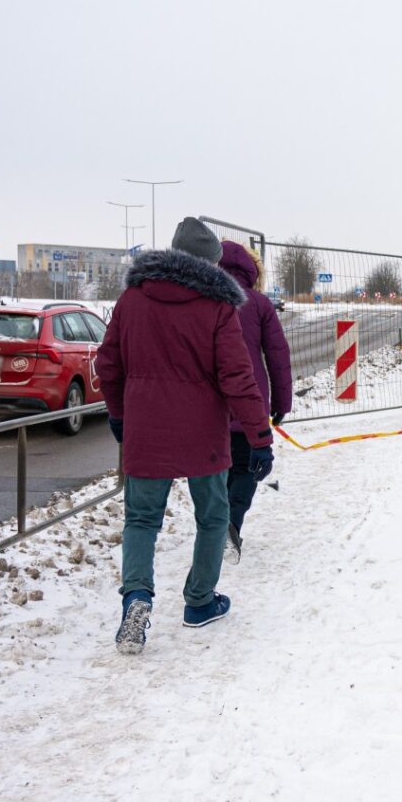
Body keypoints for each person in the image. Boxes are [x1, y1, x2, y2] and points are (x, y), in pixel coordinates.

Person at [96, 217, 275, 655]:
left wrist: (119, 415)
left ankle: (136, 597)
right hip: (203, 434)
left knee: (141, 519)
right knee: (213, 516)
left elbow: (108, 364)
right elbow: (238, 377)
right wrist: (259, 437)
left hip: (145, 430)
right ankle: (199, 600)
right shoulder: (217, 307)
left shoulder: (132, 299)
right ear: (211, 263)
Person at [216, 240, 293, 563]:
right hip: (250, 401)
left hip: (210, 405)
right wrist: (281, 402)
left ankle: (216, 524)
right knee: (247, 468)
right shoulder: (260, 304)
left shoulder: (204, 299)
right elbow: (278, 356)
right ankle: (231, 524)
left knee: (216, 469)